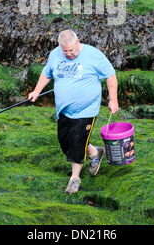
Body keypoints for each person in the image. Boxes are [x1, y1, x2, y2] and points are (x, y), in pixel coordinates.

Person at [28, 29, 119, 194]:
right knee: (64, 142)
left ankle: (74, 179)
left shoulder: (94, 55)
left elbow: (110, 76)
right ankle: (94, 151)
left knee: (77, 142)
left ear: (78, 42)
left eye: (71, 50)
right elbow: (46, 74)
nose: (69, 54)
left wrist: (113, 100)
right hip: (63, 109)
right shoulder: (56, 54)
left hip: (87, 109)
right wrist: (36, 91)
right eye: (65, 51)